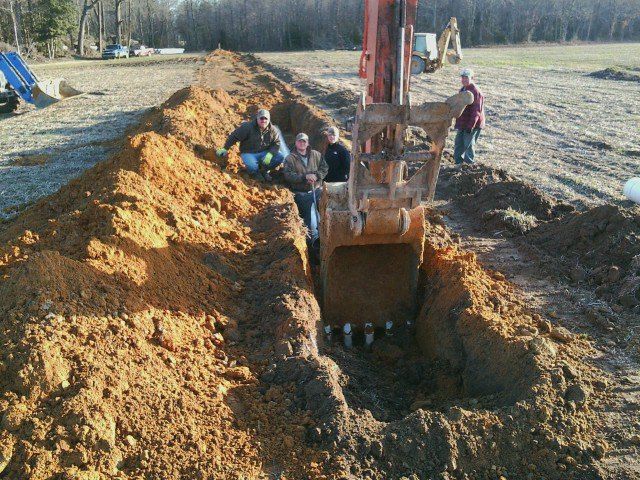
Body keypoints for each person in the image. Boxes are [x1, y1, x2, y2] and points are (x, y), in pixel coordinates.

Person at [283, 133, 329, 248]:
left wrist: (317, 176)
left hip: (317, 191)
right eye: (299, 141)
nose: (302, 143)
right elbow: (288, 175)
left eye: (304, 141)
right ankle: (313, 244)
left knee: (325, 215)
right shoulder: (290, 158)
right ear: (296, 143)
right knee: (308, 220)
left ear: (308, 143)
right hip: (301, 195)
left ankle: (327, 239)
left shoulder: (316, 155)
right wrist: (304, 177)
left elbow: (324, 168)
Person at [216, 109, 288, 181]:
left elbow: (276, 143)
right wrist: (225, 148)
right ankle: (255, 173)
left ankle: (263, 170)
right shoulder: (248, 127)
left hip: (264, 152)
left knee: (280, 157)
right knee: (252, 166)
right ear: (257, 118)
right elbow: (234, 136)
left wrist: (270, 154)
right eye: (261, 118)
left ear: (269, 119)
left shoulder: (273, 130)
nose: (263, 120)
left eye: (266, 118)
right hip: (249, 153)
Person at [453, 68, 485, 166]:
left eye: (466, 77)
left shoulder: (476, 92)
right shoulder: (463, 90)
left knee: (469, 145)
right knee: (458, 143)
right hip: (463, 122)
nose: (464, 80)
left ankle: (469, 166)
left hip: (472, 124)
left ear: (472, 78)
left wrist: (470, 126)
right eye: (462, 77)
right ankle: (458, 164)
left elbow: (476, 111)